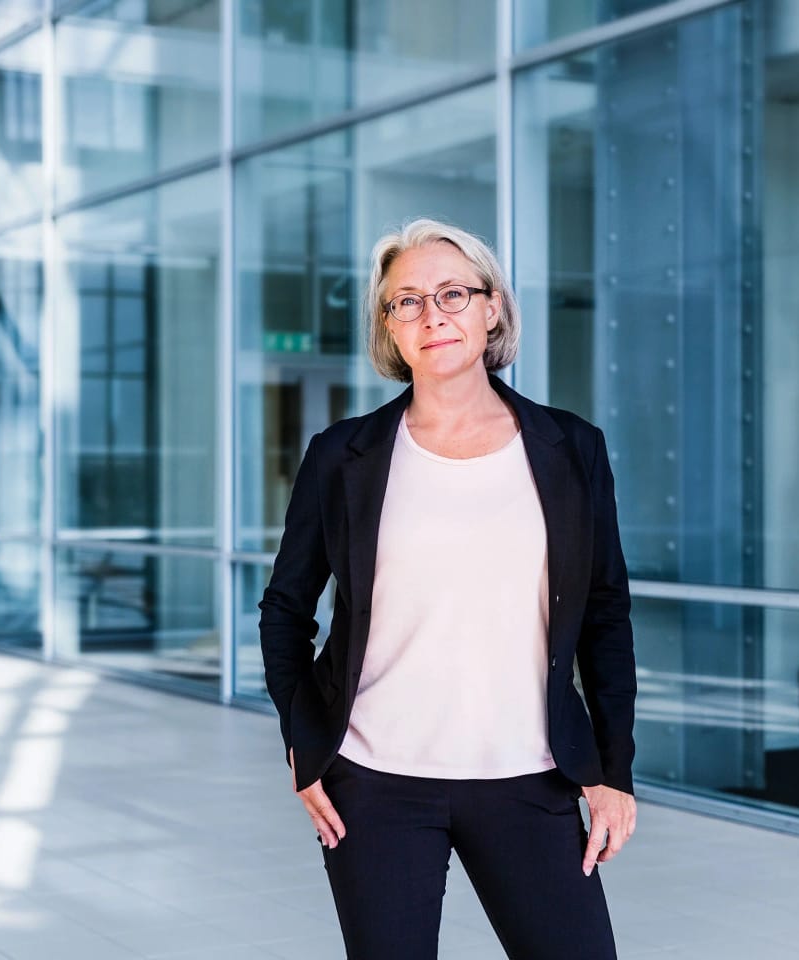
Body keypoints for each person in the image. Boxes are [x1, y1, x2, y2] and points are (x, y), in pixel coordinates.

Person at [258, 218, 637, 959]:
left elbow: (604, 614)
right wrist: (304, 746)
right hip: (373, 783)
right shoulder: (343, 456)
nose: (433, 315)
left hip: (531, 774)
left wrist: (614, 772)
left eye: (454, 293)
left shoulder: (571, 448)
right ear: (390, 328)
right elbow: (285, 609)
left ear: (491, 308)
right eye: (407, 301)